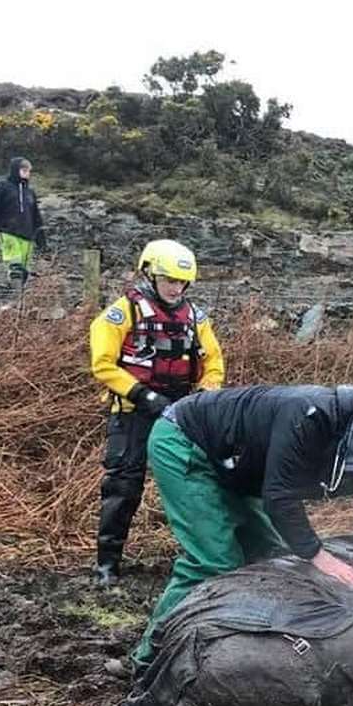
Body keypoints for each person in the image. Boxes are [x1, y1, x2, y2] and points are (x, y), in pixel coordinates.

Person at [130, 384, 353, 671]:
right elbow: (279, 498)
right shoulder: (311, 418)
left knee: (268, 556)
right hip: (186, 441)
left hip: (238, 468)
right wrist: (318, 555)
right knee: (214, 561)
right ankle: (148, 657)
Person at [90, 240, 224, 586]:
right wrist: (143, 394)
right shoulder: (122, 313)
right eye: (169, 280)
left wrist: (204, 399)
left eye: (182, 283)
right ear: (149, 273)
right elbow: (103, 364)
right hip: (134, 410)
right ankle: (107, 562)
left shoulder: (196, 318)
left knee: (193, 482)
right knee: (123, 484)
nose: (176, 288)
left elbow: (213, 363)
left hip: (182, 413)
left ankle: (200, 554)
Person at [0, 157, 46, 288]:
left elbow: (36, 216)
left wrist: (41, 238)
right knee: (15, 264)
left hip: (27, 235)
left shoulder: (30, 192)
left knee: (24, 269)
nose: (27, 173)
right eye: (24, 170)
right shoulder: (2, 187)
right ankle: (15, 291)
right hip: (7, 231)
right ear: (16, 170)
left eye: (29, 170)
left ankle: (17, 300)